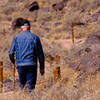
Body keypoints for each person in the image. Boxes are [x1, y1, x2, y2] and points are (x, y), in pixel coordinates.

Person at [8, 19, 45, 92]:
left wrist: (14, 63)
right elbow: (40, 54)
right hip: (32, 64)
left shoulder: (16, 37)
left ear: (21, 28)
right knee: (31, 88)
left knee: (22, 86)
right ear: (29, 27)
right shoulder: (35, 37)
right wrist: (42, 68)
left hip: (20, 65)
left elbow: (10, 53)